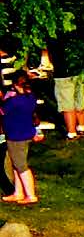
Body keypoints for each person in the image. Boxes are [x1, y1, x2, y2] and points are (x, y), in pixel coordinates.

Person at [0, 73, 38, 206]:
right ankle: (18, 192)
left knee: (21, 166)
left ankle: (30, 195)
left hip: (16, 136)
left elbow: (2, 110)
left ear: (16, 85)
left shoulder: (14, 101)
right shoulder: (30, 98)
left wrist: (6, 99)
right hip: (25, 134)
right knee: (16, 165)